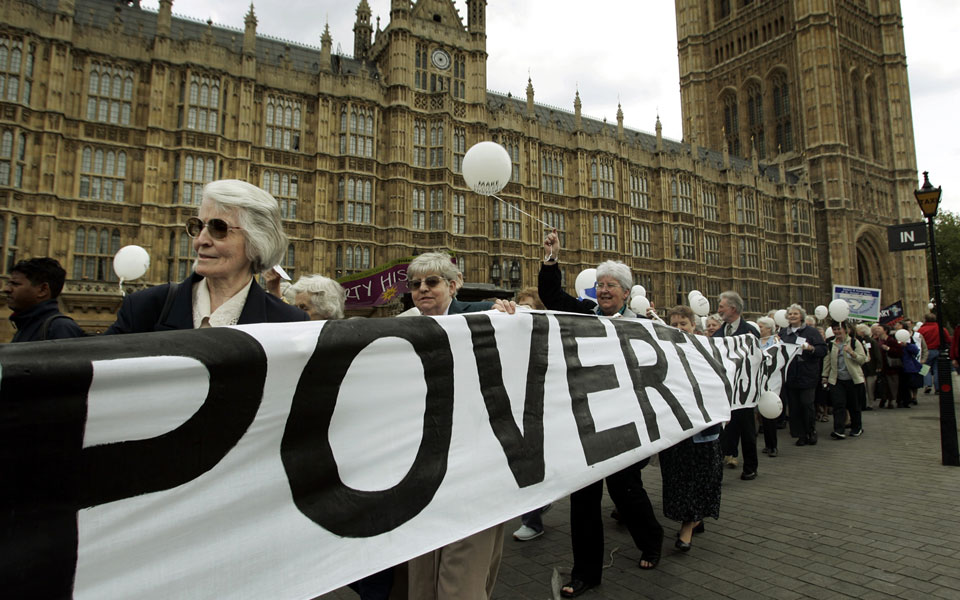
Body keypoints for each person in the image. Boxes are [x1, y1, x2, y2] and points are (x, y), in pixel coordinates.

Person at [539, 230, 663, 597]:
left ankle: (652, 540)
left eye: (611, 286)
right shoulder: (584, 312)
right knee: (584, 499)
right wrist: (551, 260)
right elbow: (551, 296)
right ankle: (586, 572)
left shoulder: (642, 326)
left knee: (626, 491)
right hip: (588, 420)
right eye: (601, 285)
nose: (604, 290)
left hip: (624, 419)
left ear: (626, 293)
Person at [404, 251, 514, 600]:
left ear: (454, 286)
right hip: (422, 465)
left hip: (474, 462)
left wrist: (509, 314)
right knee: (421, 571)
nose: (422, 289)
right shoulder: (401, 328)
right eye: (415, 284)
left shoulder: (482, 316)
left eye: (431, 282)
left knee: (464, 571)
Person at [105, 180, 309, 333]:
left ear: (257, 242)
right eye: (198, 226)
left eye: (218, 228)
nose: (200, 240)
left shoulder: (289, 324)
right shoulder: (144, 308)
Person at [660, 306, 723, 552]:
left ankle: (688, 527)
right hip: (675, 426)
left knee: (699, 476)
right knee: (679, 477)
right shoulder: (663, 350)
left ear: (693, 326)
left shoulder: (706, 350)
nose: (678, 328)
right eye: (673, 324)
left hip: (702, 427)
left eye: (683, 324)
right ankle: (696, 518)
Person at [712, 291, 760, 480]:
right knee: (724, 432)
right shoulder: (719, 333)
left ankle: (750, 467)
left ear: (732, 308)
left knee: (747, 431)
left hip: (744, 391)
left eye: (721, 306)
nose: (719, 310)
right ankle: (718, 469)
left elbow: (757, 358)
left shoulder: (749, 331)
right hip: (726, 392)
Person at [4, 257, 86, 342]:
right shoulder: (26, 325)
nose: (6, 289)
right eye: (8, 283)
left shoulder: (59, 327)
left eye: (15, 284)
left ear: (43, 290)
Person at [779, 304, 827, 446]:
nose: (792, 316)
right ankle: (800, 434)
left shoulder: (811, 332)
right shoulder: (783, 333)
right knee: (794, 407)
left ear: (801, 316)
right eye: (790, 314)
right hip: (790, 375)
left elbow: (822, 350)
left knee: (807, 404)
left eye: (795, 314)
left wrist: (811, 348)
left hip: (807, 374)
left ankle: (810, 431)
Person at [822, 321, 867, 439]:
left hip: (853, 379)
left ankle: (856, 428)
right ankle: (839, 430)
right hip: (837, 380)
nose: (836, 331)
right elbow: (827, 361)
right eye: (834, 329)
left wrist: (852, 353)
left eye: (839, 329)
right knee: (838, 405)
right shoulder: (831, 344)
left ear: (845, 329)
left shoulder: (854, 342)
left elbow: (863, 359)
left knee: (854, 405)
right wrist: (824, 376)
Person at [756, 316, 782, 456]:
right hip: (757, 381)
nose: (758, 329)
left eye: (760, 326)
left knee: (769, 414)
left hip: (771, 381)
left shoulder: (775, 341)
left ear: (768, 328)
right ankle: (766, 444)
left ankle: (773, 446)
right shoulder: (755, 341)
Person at [918, 313, 952, 393]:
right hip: (938, 350)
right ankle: (938, 387)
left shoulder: (922, 330)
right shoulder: (941, 329)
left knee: (925, 368)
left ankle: (927, 384)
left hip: (926, 351)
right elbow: (948, 340)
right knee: (937, 370)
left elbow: (918, 341)